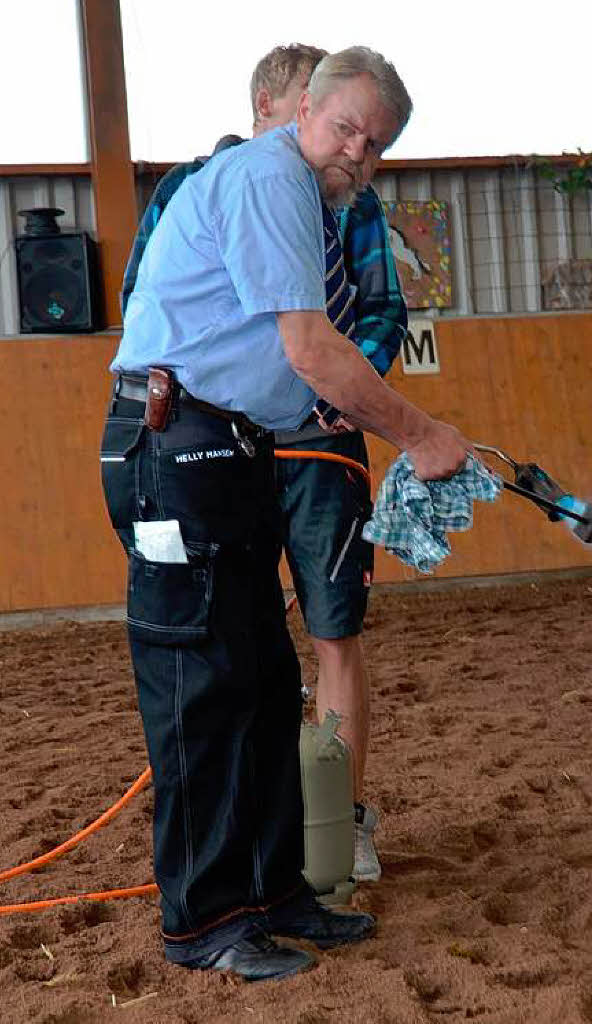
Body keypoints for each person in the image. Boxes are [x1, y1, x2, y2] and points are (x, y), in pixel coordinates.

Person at [101, 46, 470, 983]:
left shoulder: (302, 194)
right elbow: (309, 345)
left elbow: (303, 354)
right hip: (177, 449)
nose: (359, 151)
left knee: (263, 684)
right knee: (204, 694)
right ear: (302, 107)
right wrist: (420, 433)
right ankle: (205, 922)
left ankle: (275, 895)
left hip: (234, 450)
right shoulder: (269, 177)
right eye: (347, 126)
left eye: (376, 144)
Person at [121, 43, 407, 884]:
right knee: (219, 660)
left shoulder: (349, 204)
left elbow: (377, 312)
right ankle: (226, 880)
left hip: (317, 436)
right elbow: (156, 313)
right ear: (277, 113)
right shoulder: (217, 185)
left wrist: (342, 398)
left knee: (318, 639)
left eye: (369, 140)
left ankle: (324, 834)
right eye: (324, 125)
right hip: (211, 441)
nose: (346, 152)